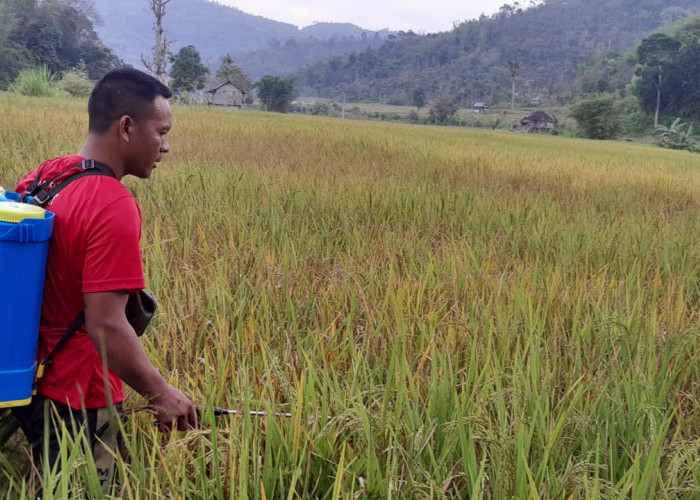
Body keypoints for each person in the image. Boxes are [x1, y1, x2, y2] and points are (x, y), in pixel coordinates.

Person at [11, 67, 197, 489]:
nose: (166, 147)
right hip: (78, 390)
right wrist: (160, 392)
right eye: (161, 132)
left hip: (28, 374)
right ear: (127, 127)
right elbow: (106, 324)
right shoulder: (112, 204)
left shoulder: (46, 176)